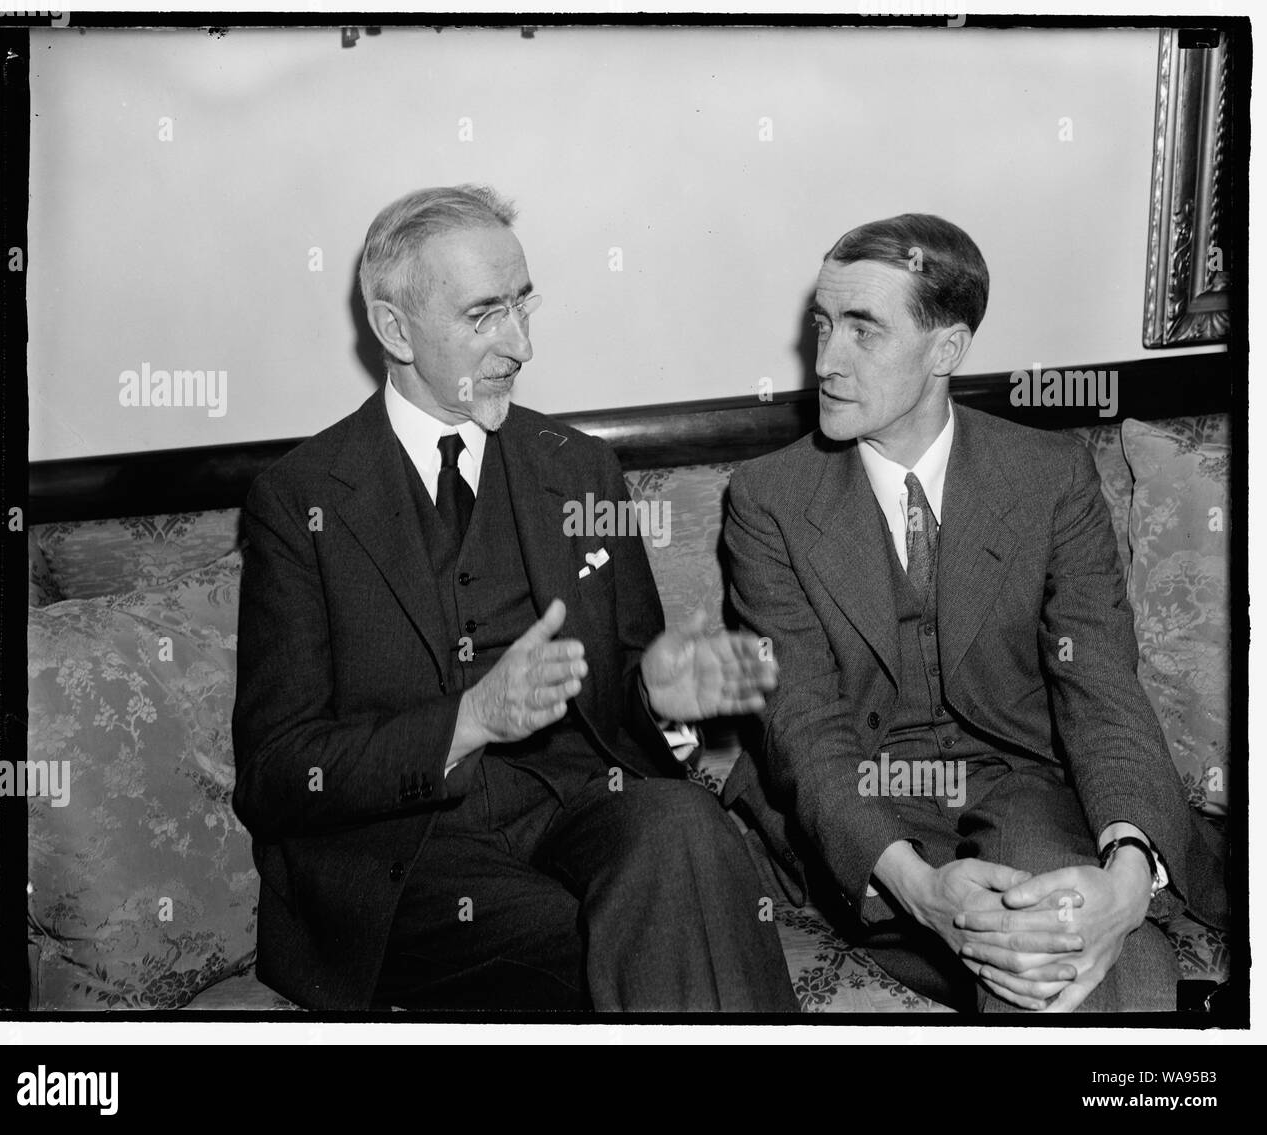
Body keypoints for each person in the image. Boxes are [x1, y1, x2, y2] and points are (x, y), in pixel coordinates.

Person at [231, 184, 797, 1013]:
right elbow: (279, 772)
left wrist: (660, 693)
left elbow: (632, 690)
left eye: (524, 306)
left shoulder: (579, 468)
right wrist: (471, 720)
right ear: (395, 330)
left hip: (576, 809)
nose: (521, 345)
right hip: (408, 856)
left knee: (685, 825)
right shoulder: (301, 500)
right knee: (607, 937)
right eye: (485, 314)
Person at [723, 213, 1225, 1013]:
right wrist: (920, 890)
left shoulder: (1049, 476)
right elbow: (804, 727)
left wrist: (1130, 877)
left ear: (946, 351)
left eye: (863, 330)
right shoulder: (768, 499)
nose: (825, 360)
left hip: (1023, 785)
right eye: (823, 325)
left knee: (1068, 947)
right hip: (864, 807)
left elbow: (1101, 688)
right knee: (1078, 967)